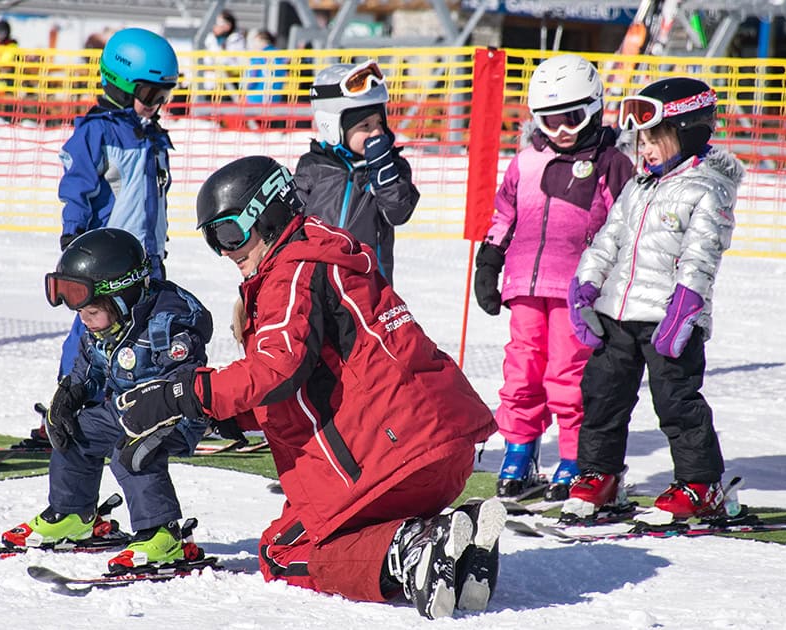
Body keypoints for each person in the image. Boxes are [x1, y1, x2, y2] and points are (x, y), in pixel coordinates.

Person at [112, 156, 504, 619]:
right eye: (213, 239)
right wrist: (213, 412)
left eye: (232, 234)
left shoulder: (291, 271)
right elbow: (301, 384)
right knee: (322, 522)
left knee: (280, 550)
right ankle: (457, 542)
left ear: (271, 213)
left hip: (388, 462)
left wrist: (179, 394)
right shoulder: (329, 258)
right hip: (437, 451)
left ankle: (409, 550)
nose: (227, 251)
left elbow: (276, 366)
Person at [562, 77, 744, 523]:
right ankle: (599, 476)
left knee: (677, 401)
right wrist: (586, 284)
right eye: (642, 139)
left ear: (688, 133)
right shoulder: (639, 188)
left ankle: (701, 484)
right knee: (602, 395)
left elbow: (701, 256)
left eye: (656, 137)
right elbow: (609, 239)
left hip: (670, 320)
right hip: (618, 315)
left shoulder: (707, 189)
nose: (645, 148)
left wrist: (685, 309)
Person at [2, 227, 215, 572]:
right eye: (80, 314)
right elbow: (89, 369)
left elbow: (186, 384)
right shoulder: (103, 329)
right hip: (125, 411)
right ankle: (72, 513)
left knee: (128, 452)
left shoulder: (167, 327)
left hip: (175, 416)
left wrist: (162, 418)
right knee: (74, 432)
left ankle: (161, 533)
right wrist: (69, 396)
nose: (85, 322)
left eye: (91, 312)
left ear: (122, 299)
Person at [473, 53, 634, 504]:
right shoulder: (525, 162)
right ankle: (518, 451)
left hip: (577, 288)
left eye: (572, 118)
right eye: (549, 120)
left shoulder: (611, 163)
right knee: (521, 369)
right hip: (525, 284)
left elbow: (627, 222)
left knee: (567, 372)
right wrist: (489, 260)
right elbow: (505, 213)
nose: (561, 130)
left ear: (596, 108)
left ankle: (572, 457)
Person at [48, 27, 178, 411]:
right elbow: (77, 186)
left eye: (164, 96)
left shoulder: (151, 136)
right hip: (106, 260)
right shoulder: (97, 133)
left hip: (144, 257)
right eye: (150, 95)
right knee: (93, 328)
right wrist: (73, 233)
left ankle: (138, 401)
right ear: (120, 86)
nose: (156, 104)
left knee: (148, 328)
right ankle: (71, 397)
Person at [295, 60, 419, 283]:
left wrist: (383, 171)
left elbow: (397, 212)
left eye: (379, 123)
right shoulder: (313, 167)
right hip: (317, 281)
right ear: (332, 126)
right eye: (365, 126)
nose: (376, 132)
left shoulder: (394, 167)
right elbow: (292, 224)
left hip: (368, 285)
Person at [200, 10, 245, 101]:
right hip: (210, 85)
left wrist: (221, 67)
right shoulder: (210, 38)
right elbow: (206, 60)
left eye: (219, 23)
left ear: (228, 26)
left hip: (228, 85)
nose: (215, 26)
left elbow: (235, 63)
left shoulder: (236, 39)